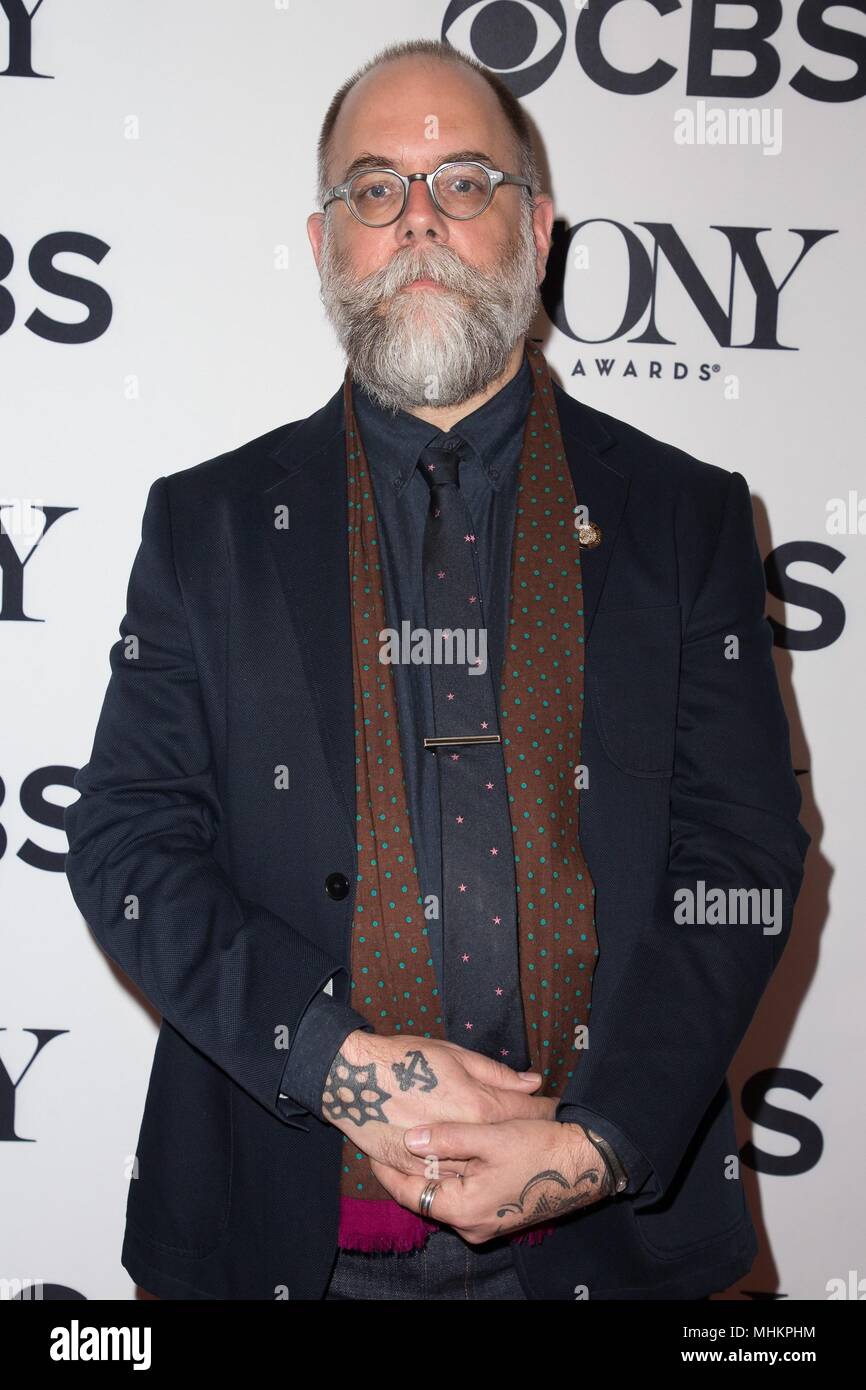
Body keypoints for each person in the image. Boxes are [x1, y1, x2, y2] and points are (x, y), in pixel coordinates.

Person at [64, 38, 810, 1301]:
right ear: (322, 243)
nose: (416, 220)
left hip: (607, 1242)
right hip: (282, 1241)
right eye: (373, 190)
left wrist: (598, 1137)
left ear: (537, 225)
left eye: (462, 183)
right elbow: (128, 844)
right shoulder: (210, 523)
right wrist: (334, 1061)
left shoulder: (685, 517)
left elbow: (737, 855)